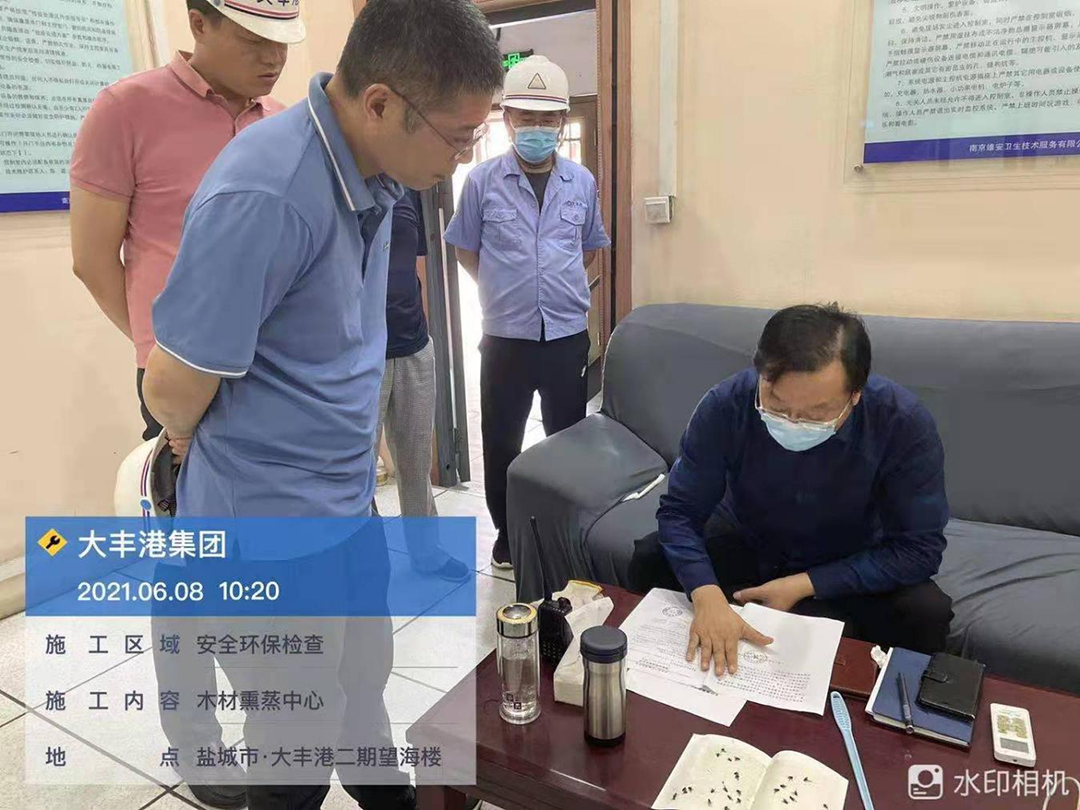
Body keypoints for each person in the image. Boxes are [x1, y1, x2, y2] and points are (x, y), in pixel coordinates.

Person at [142, 0, 504, 807]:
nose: (460, 159)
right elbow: (170, 385)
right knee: (292, 743)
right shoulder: (266, 193)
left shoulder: (379, 170)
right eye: (457, 138)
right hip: (269, 530)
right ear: (380, 103)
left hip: (345, 505)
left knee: (362, 688)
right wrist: (199, 448)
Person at [630, 304, 953, 676]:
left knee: (925, 612)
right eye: (778, 406)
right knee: (651, 557)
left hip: (848, 556)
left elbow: (920, 549)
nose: (794, 422)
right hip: (750, 540)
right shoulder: (726, 405)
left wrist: (806, 584)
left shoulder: (902, 423)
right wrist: (705, 595)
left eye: (816, 414)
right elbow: (679, 513)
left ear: (855, 394)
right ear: (761, 374)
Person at [70, 0, 302, 442]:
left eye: (283, 42)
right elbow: (92, 261)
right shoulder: (125, 109)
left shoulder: (283, 120)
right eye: (254, 40)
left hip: (277, 367)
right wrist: (163, 351)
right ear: (199, 24)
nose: (273, 58)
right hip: (182, 372)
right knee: (192, 487)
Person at [444, 55, 610, 570]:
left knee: (567, 441)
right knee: (502, 441)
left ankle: (562, 533)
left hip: (565, 337)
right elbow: (466, 249)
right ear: (509, 119)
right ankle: (509, 536)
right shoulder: (481, 181)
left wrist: (551, 287)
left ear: (561, 121)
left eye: (548, 118)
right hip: (505, 339)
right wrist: (504, 288)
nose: (537, 127)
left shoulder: (581, 182)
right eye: (527, 117)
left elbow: (588, 249)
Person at [376, 189, 469, 581]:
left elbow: (410, 264)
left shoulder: (407, 189)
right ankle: (364, 558)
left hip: (413, 344)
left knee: (415, 461)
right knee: (353, 472)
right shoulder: (340, 187)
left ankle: (426, 553)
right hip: (360, 355)